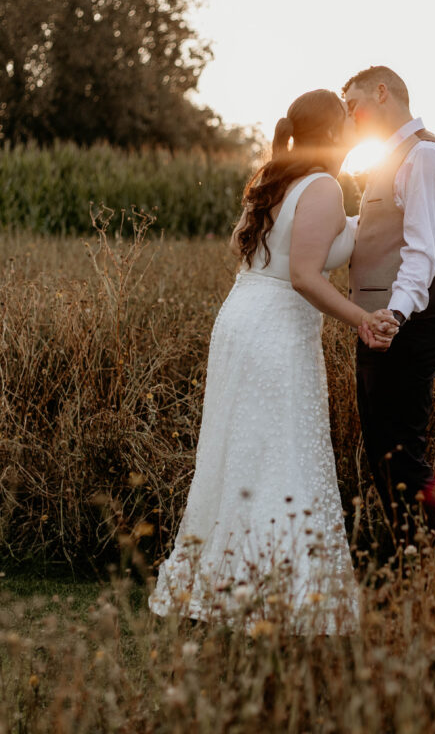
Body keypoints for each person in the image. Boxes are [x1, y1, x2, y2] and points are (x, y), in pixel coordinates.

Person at [147, 89, 398, 634]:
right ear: (333, 134)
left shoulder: (276, 180)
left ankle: (220, 587)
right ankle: (274, 591)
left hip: (242, 319)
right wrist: (362, 318)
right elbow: (306, 276)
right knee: (279, 450)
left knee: (241, 450)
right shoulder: (323, 186)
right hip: (276, 328)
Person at [342, 66, 435, 550]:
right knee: (383, 455)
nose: (351, 119)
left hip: (404, 328)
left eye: (353, 106)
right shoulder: (391, 160)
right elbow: (371, 233)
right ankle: (409, 557)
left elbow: (422, 252)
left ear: (383, 92)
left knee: (402, 456)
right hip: (381, 328)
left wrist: (394, 315)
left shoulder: (425, 157)